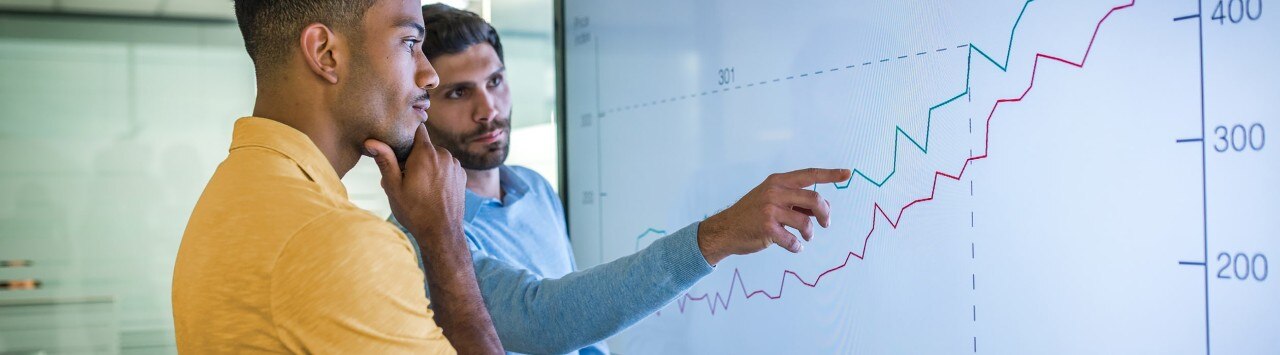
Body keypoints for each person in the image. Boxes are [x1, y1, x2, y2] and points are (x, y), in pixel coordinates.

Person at [390, 5, 854, 354]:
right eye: (459, 93)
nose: (488, 109)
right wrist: (721, 234)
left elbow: (582, 338)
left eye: (495, 82)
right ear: (423, 105)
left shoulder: (534, 187)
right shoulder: (421, 229)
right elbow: (544, 320)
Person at [172, 0, 504, 353]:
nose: (430, 76)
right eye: (409, 43)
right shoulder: (337, 239)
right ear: (325, 54)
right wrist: (444, 239)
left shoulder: (233, 192)